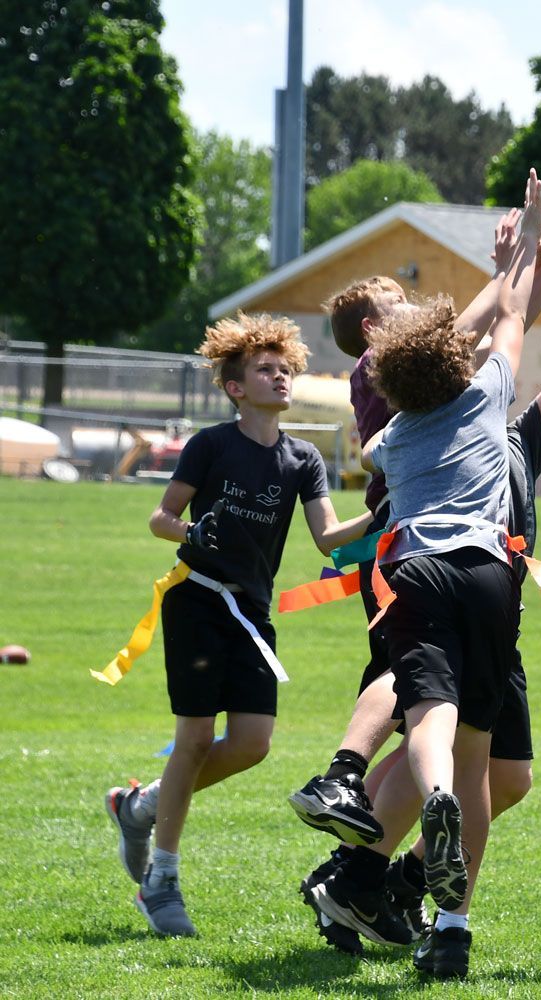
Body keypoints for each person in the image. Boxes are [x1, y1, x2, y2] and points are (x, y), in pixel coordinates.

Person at [314, 237, 541, 979]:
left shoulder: (496, 433)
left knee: (505, 775)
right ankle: (374, 885)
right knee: (455, 744)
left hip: (488, 601)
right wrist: (529, 272)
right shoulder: (477, 404)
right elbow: (509, 329)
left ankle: (394, 879)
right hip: (463, 581)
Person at [104, 312, 373, 937]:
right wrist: (192, 529)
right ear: (235, 387)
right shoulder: (211, 445)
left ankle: (141, 807)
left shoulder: (303, 458)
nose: (280, 378)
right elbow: (161, 517)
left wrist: (381, 512)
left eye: (285, 369)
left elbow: (329, 539)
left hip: (251, 612)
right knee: (194, 738)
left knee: (253, 743)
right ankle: (161, 883)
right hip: (196, 600)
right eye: (264, 370)